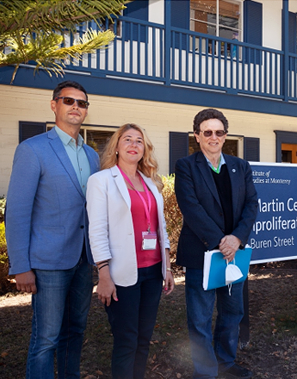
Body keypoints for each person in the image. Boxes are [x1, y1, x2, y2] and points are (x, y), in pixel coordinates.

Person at [5, 80, 99, 378]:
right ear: (54, 105)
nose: (75, 107)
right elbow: (17, 212)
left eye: (81, 103)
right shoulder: (32, 150)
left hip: (84, 260)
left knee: (75, 331)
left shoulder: (92, 156)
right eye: (68, 101)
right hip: (48, 264)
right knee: (45, 339)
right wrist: (21, 266)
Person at [175, 108, 258, 379]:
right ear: (197, 136)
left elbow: (251, 204)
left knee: (232, 313)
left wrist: (237, 239)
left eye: (219, 132)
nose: (213, 137)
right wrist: (220, 241)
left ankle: (225, 363)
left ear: (225, 136)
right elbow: (191, 208)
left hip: (236, 252)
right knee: (199, 318)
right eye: (207, 132)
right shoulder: (186, 166)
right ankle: (206, 372)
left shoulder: (240, 166)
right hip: (202, 253)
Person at [86, 123, 174, 378]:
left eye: (139, 141)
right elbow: (97, 231)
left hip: (152, 272)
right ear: (116, 147)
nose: (134, 144)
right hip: (121, 273)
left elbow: (161, 229)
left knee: (144, 338)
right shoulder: (101, 181)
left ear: (144, 149)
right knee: (126, 340)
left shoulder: (150, 182)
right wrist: (103, 274)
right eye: (127, 139)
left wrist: (167, 267)